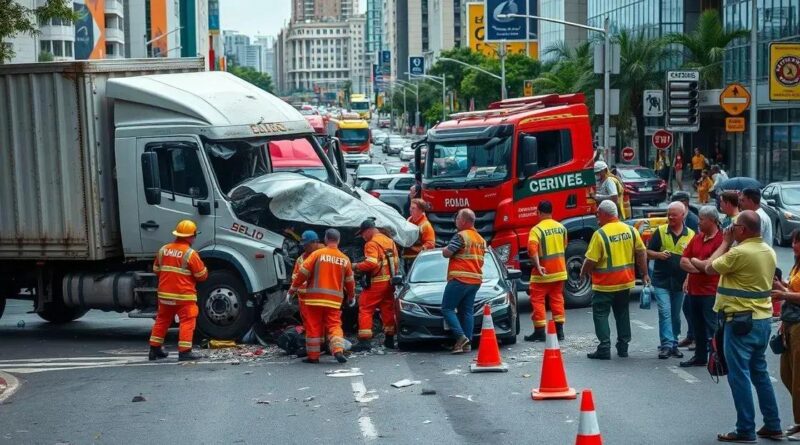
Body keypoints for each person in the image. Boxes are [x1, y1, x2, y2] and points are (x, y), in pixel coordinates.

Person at [692, 211, 782, 442]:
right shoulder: (768, 250)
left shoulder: (739, 252)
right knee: (759, 373)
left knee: (738, 375)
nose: (730, 229)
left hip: (740, 321)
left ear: (742, 230)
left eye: (733, 227)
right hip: (762, 320)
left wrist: (725, 242)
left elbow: (709, 267)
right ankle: (773, 424)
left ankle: (745, 428)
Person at [581, 200, 650, 359]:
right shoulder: (631, 230)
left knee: (600, 314)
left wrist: (583, 273)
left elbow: (590, 260)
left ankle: (604, 347)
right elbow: (641, 252)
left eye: (598, 214)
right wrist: (644, 273)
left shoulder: (600, 234)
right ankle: (623, 347)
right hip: (624, 282)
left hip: (605, 284)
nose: (597, 217)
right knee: (622, 313)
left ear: (605, 214)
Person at [288, 228, 355, 364]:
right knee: (334, 325)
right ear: (338, 240)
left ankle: (313, 357)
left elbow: (302, 274)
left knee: (313, 326)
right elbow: (350, 281)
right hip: (334, 301)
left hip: (314, 299)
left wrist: (292, 290)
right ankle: (337, 350)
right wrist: (351, 296)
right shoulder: (344, 259)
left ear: (325, 239)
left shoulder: (317, 254)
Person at [148, 220, 208, 362]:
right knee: (187, 321)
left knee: (162, 320)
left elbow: (156, 269)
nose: (194, 238)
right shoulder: (190, 253)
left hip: (164, 295)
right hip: (184, 296)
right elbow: (201, 276)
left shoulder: (164, 249)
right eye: (194, 235)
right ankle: (185, 352)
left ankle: (154, 349)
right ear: (189, 236)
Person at [647, 202, 695, 359]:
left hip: (680, 282)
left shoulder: (691, 235)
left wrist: (688, 279)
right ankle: (667, 344)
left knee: (675, 314)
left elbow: (693, 260)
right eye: (669, 214)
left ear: (683, 216)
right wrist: (658, 255)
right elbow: (647, 252)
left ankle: (674, 343)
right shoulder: (660, 232)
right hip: (661, 280)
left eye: (674, 214)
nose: (670, 217)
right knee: (665, 312)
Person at [678, 206, 724, 367]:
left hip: (710, 291)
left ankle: (717, 358)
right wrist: (701, 268)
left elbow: (713, 267)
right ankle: (700, 356)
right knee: (697, 326)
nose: (698, 222)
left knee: (712, 327)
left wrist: (699, 265)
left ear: (712, 220)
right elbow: (683, 260)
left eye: (702, 219)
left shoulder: (722, 241)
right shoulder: (697, 238)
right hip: (694, 290)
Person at [442, 208, 487, 354]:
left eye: (457, 219)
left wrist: (445, 249)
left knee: (447, 308)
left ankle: (460, 337)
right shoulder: (481, 240)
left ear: (463, 221)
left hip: (459, 279)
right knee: (466, 311)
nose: (455, 221)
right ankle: (467, 343)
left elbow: (447, 253)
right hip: (475, 280)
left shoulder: (461, 236)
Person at [351, 219, 401, 351]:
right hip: (389, 282)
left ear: (368, 230)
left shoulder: (371, 243)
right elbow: (396, 262)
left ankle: (364, 341)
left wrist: (355, 266)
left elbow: (371, 263)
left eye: (362, 233)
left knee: (365, 308)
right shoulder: (389, 241)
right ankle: (389, 339)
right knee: (387, 309)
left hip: (377, 282)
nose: (362, 236)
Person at [524, 200, 568, 342]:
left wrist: (537, 266)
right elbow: (564, 246)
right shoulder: (561, 228)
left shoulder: (536, 230)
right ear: (551, 211)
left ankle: (540, 331)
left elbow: (532, 250)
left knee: (537, 300)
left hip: (543, 273)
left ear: (539, 212)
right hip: (560, 271)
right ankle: (559, 332)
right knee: (557, 300)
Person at [772, 229, 800, 440]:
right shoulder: (796, 264)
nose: (793, 246)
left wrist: (784, 294)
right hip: (790, 321)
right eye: (793, 242)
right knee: (787, 373)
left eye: (797, 242)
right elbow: (792, 288)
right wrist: (781, 287)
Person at [290, 230, 323, 324]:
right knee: (308, 323)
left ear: (315, 242)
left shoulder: (324, 256)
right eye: (303, 244)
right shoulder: (301, 259)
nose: (304, 247)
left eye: (306, 244)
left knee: (318, 324)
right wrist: (293, 291)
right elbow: (295, 277)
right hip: (304, 299)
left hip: (319, 298)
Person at [402, 198, 436, 270]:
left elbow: (430, 244)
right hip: (406, 258)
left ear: (420, 210)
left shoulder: (425, 226)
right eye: (410, 207)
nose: (410, 209)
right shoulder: (409, 220)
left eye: (413, 208)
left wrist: (413, 248)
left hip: (418, 260)